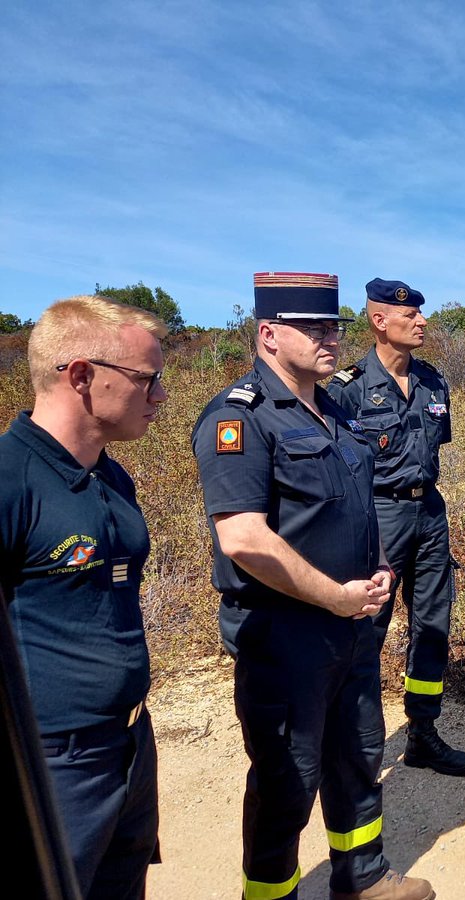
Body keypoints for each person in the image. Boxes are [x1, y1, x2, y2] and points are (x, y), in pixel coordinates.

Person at [192, 272, 433, 900]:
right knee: (287, 780)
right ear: (269, 335)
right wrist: (335, 595)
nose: (330, 338)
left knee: (358, 755)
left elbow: (358, 504)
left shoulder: (338, 411)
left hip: (349, 627)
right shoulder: (239, 418)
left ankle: (364, 876)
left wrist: (378, 564)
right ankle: (271, 893)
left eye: (333, 327)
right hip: (286, 634)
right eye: (313, 328)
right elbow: (243, 537)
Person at [0, 295, 168, 898]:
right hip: (54, 767)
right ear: (81, 376)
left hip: (127, 744)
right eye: (146, 379)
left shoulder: (110, 475)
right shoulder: (10, 480)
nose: (160, 396)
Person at [328, 278, 465, 777]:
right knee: (367, 628)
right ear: (379, 320)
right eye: (410, 315)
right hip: (378, 515)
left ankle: (423, 735)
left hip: (430, 513)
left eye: (420, 313)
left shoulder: (434, 383)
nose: (422, 321)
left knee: (432, 625)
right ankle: (355, 738)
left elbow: (434, 448)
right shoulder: (346, 390)